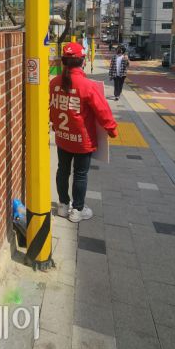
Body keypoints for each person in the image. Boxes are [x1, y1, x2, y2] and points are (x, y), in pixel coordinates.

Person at [50, 42, 118, 223]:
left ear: (63, 61)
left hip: (63, 137)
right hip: (82, 140)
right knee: (80, 174)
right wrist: (112, 130)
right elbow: (103, 111)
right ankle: (77, 211)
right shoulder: (87, 86)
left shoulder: (54, 83)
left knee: (62, 170)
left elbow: (53, 109)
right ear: (82, 61)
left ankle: (63, 206)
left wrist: (56, 126)